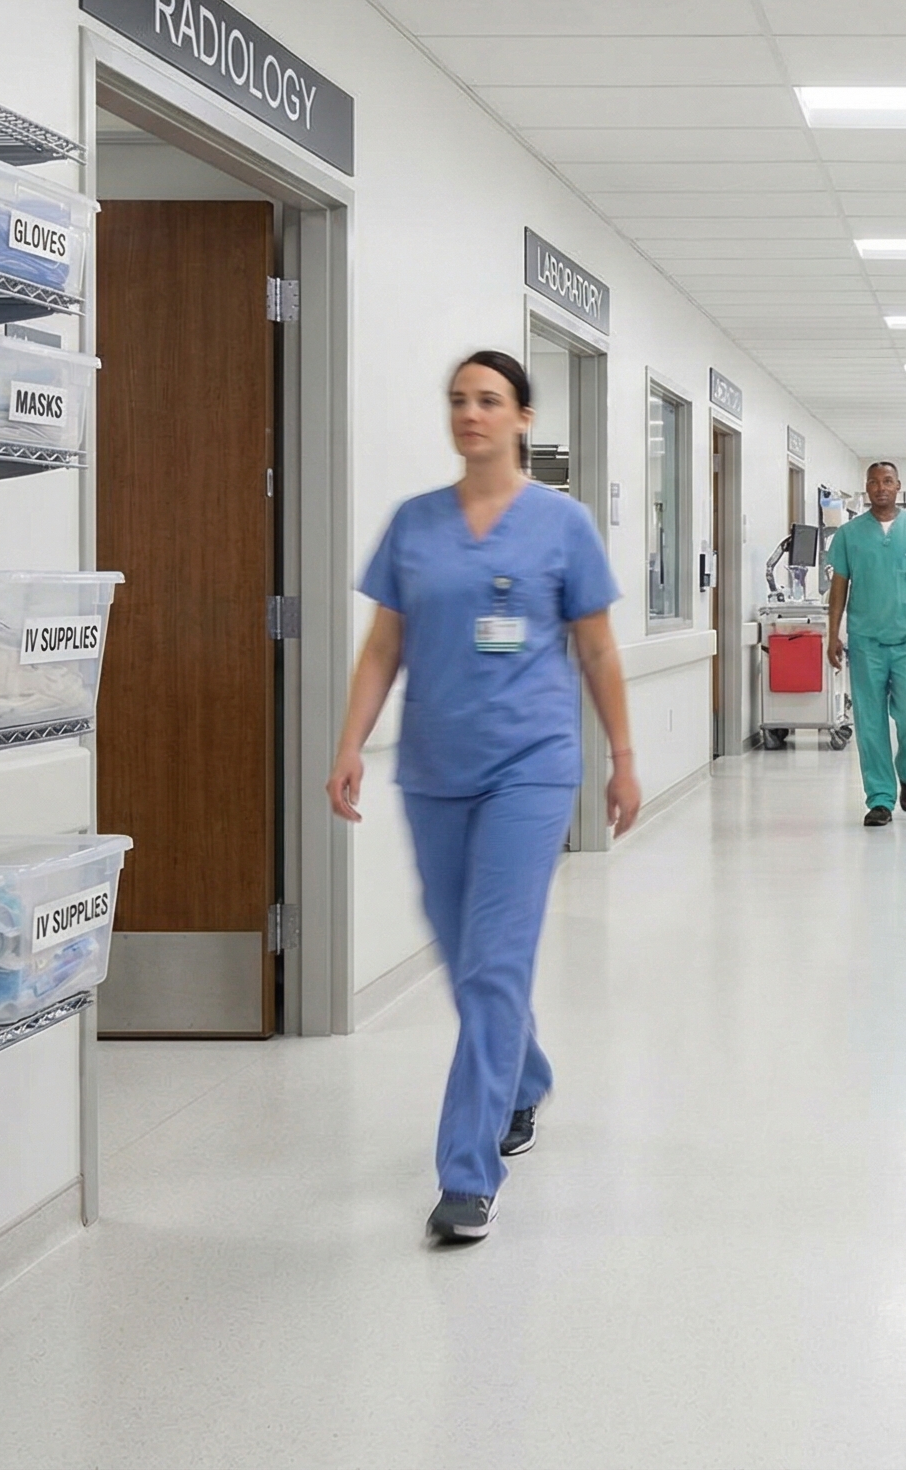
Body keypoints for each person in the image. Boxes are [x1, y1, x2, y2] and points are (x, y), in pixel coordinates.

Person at [326, 349, 642, 1246]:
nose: (471, 413)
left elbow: (600, 651)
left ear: (523, 418)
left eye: (490, 400)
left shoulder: (562, 525)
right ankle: (525, 1076)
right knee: (469, 958)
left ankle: (468, 1171)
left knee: (497, 961)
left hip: (531, 769)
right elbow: (384, 647)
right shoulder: (414, 524)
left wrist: (621, 756)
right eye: (459, 400)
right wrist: (350, 743)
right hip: (431, 769)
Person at [823, 461, 906, 827]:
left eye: (888, 481)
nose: (881, 487)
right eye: (874, 482)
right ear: (866, 488)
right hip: (865, 641)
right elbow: (839, 588)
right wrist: (834, 633)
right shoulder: (849, 535)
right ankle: (879, 798)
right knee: (870, 722)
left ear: (898, 486)